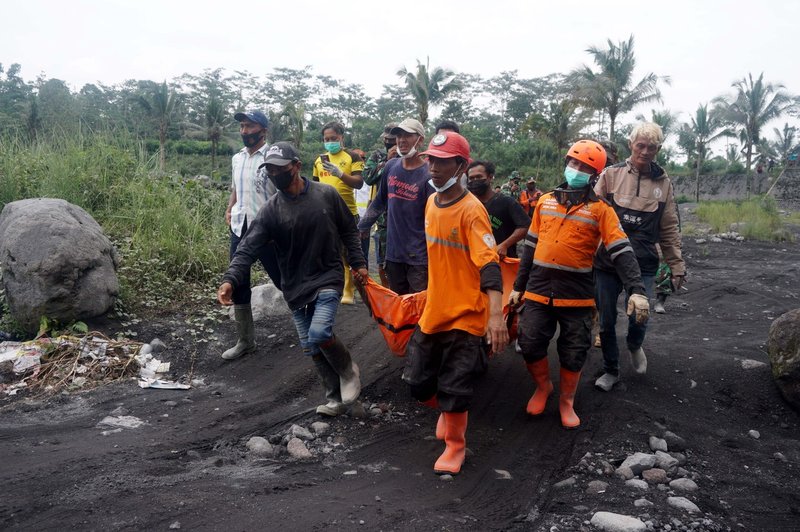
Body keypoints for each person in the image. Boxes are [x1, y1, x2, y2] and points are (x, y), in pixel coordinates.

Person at [218, 142, 368, 417]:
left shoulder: (326, 194)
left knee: (320, 332)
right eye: (270, 171)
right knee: (311, 345)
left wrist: (359, 264)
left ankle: (348, 370)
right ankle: (334, 399)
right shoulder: (271, 210)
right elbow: (247, 248)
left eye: (280, 169)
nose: (274, 174)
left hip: (327, 275)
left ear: (297, 166)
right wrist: (230, 279)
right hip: (294, 284)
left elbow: (349, 230)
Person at [510, 140, 649, 429]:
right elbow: (530, 249)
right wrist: (517, 287)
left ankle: (566, 401)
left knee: (574, 350)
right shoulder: (544, 202)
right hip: (537, 290)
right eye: (573, 163)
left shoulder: (601, 210)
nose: (576, 170)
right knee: (529, 341)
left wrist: (637, 289)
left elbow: (622, 251)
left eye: (585, 167)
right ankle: (543, 387)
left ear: (595, 175)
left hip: (577, 297)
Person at [403, 131, 509, 475]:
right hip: (435, 311)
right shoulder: (432, 203)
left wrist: (496, 318)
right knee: (419, 382)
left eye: (442, 161)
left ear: (461, 165)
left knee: (455, 385)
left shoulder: (472, 211)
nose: (432, 166)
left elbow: (490, 265)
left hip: (466, 316)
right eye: (431, 159)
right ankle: (447, 413)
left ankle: (455, 446)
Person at [593, 122, 686, 392]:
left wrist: (676, 264)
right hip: (607, 262)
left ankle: (634, 344)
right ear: (631, 145)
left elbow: (669, 226)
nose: (645, 151)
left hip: (644, 261)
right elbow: (591, 217)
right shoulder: (611, 175)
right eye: (640, 145)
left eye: (652, 147)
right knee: (607, 319)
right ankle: (611, 369)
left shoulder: (663, 183)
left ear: (658, 149)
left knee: (640, 315)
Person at [221, 109, 282, 361]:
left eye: (250, 126)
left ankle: (312, 328)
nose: (245, 131)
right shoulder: (237, 158)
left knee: (284, 279)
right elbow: (237, 187)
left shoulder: (272, 157)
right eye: (242, 126)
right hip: (239, 227)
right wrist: (229, 207)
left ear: (263, 130)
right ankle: (246, 341)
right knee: (239, 282)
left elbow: (284, 193)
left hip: (267, 229)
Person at [358, 118, 432, 295]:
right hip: (393, 252)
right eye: (399, 135)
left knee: (417, 306)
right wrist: (363, 226)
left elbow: (434, 217)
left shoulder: (429, 174)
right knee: (398, 304)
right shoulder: (391, 166)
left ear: (420, 139)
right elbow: (380, 201)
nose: (401, 140)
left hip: (419, 256)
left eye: (407, 135)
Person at [313, 121, 365, 305]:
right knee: (327, 252)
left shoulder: (352, 157)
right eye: (326, 139)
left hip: (348, 212)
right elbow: (314, 186)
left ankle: (351, 289)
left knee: (349, 253)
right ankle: (334, 287)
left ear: (341, 137)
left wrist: (339, 173)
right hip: (324, 213)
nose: (330, 142)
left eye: (333, 138)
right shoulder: (319, 161)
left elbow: (359, 183)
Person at [466, 160, 530, 258]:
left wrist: (505, 245)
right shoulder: (467, 204)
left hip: (502, 261)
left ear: (490, 177)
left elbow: (526, 225)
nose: (475, 181)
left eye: (479, 177)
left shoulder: (506, 202)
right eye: (471, 178)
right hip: (474, 260)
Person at [361, 123, 399, 287]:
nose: (388, 142)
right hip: (383, 217)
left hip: (404, 217)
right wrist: (388, 162)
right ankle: (386, 295)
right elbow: (368, 178)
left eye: (392, 139)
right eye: (386, 139)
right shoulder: (377, 156)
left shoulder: (409, 156)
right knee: (382, 262)